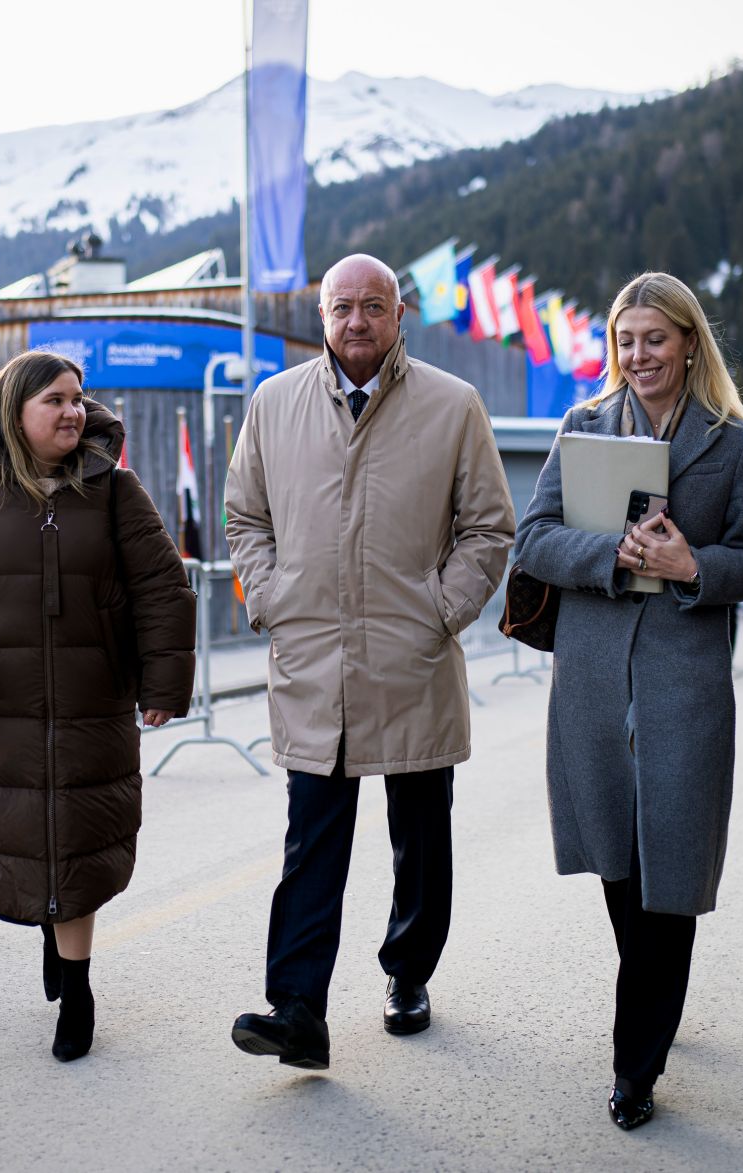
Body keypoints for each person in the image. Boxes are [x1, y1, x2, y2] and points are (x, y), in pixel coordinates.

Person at [224, 253, 515, 1069]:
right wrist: (271, 599)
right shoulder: (274, 403)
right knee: (312, 838)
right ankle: (297, 1009)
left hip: (412, 654)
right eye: (342, 307)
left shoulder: (453, 406)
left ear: (399, 317)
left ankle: (408, 971)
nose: (356, 321)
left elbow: (490, 528)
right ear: (322, 317)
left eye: (373, 307)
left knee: (419, 837)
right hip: (314, 658)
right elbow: (244, 514)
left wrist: (440, 611)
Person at [511, 271, 743, 1131]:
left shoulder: (732, 440)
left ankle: (637, 1061)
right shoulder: (582, 426)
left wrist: (692, 566)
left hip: (684, 679)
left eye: (654, 338)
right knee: (619, 862)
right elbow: (535, 539)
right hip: (592, 674)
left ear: (690, 342)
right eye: (626, 341)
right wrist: (614, 555)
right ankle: (655, 1000)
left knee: (673, 865)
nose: (638, 355)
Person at [0, 350, 195, 1061]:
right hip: (1, 704)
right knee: (5, 829)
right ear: (16, 410)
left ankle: (78, 986)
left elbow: (165, 589)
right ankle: (45, 921)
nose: (74, 410)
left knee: (76, 843)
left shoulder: (112, 488)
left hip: (93, 705)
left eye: (78, 398)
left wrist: (163, 686)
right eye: (56, 400)